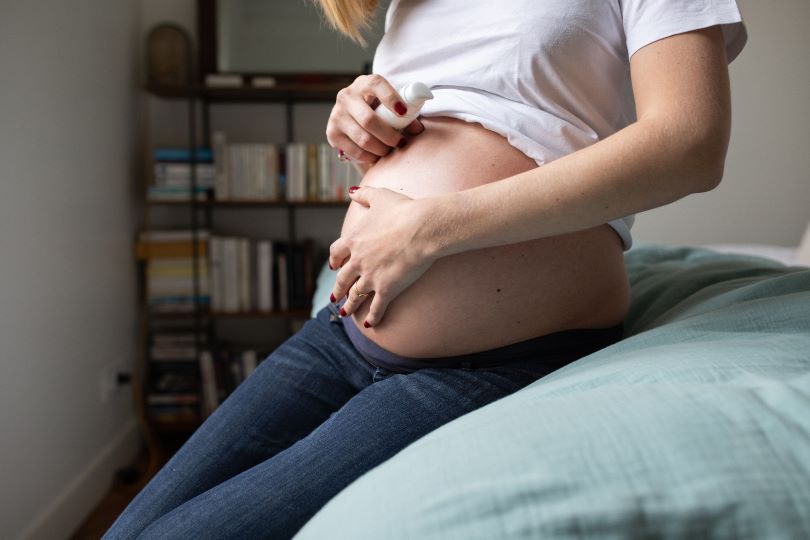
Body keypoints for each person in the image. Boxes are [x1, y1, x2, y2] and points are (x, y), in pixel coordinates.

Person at [105, 0, 747, 538]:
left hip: (498, 357)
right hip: (340, 332)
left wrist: (431, 228)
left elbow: (689, 142)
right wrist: (356, 127)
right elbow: (458, 125)